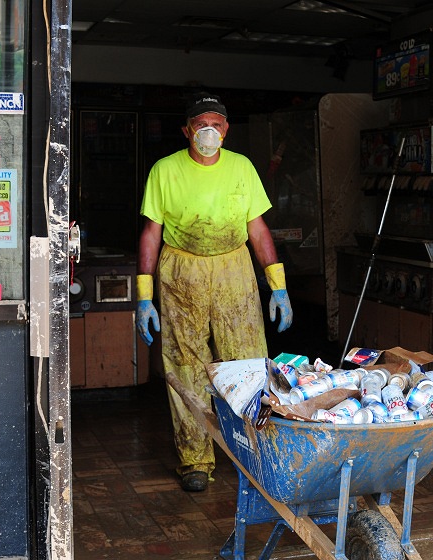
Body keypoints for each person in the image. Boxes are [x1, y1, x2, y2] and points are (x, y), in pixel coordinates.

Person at [135, 91, 293, 492]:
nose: (209, 131)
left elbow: (258, 230)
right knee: (185, 364)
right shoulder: (164, 170)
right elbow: (151, 234)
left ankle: (252, 453)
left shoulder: (242, 168)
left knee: (248, 363)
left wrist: (279, 287)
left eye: (217, 124)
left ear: (227, 130)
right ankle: (195, 460)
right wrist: (144, 296)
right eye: (201, 124)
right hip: (181, 269)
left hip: (233, 268)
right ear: (186, 130)